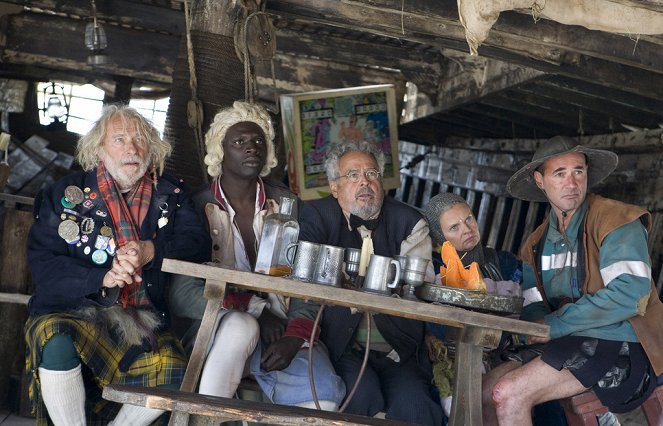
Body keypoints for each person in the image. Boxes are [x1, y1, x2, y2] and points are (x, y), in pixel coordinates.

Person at [24, 105, 211, 425]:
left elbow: (198, 244)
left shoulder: (171, 194)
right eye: (120, 139)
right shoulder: (65, 194)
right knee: (53, 336)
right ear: (99, 148)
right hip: (74, 309)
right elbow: (43, 264)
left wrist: (152, 249)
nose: (132, 148)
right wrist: (103, 277)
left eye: (140, 139)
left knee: (175, 371)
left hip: (142, 318)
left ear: (152, 148)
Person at [168, 101, 345, 410]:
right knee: (240, 327)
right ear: (220, 150)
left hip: (282, 331)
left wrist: (295, 336)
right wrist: (256, 310)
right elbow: (181, 292)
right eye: (239, 142)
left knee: (324, 396)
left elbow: (309, 277)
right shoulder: (196, 207)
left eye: (259, 141)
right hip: (214, 327)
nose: (252, 148)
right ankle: (208, 416)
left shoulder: (288, 205)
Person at [481, 136, 663, 425]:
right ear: (540, 181)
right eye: (560, 173)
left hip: (627, 342)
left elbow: (631, 295)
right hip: (571, 341)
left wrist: (556, 324)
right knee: (488, 389)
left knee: (509, 393)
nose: (572, 182)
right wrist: (537, 325)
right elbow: (533, 307)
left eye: (578, 171)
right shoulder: (535, 244)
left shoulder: (617, 221)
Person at [298, 140, 444, 425]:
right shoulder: (316, 216)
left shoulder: (410, 222)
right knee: (358, 397)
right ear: (335, 187)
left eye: (372, 174)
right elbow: (307, 279)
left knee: (416, 408)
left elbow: (417, 289)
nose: (364, 182)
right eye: (352, 175)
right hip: (342, 345)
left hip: (399, 350)